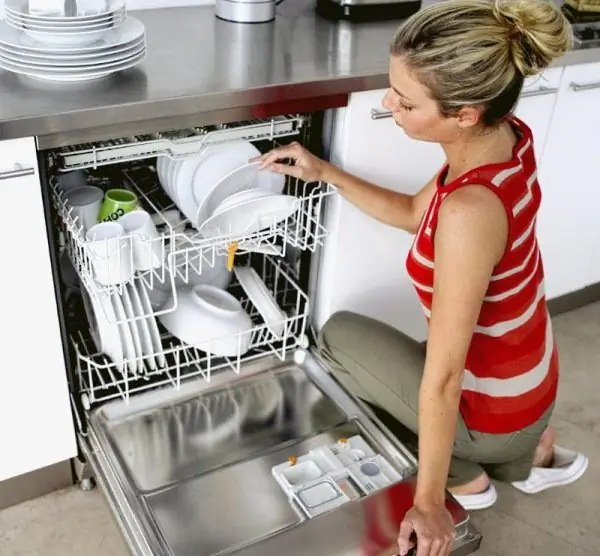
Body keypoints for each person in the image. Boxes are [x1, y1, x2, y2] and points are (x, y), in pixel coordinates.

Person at [257, 0, 588, 555]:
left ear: (464, 112)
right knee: (428, 368)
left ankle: (468, 477)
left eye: (405, 101)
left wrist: (430, 503)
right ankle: (527, 454)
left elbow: (445, 376)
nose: (389, 105)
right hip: (533, 379)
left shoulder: (469, 211)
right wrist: (323, 171)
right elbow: (415, 212)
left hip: (494, 408)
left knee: (338, 336)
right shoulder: (503, 139)